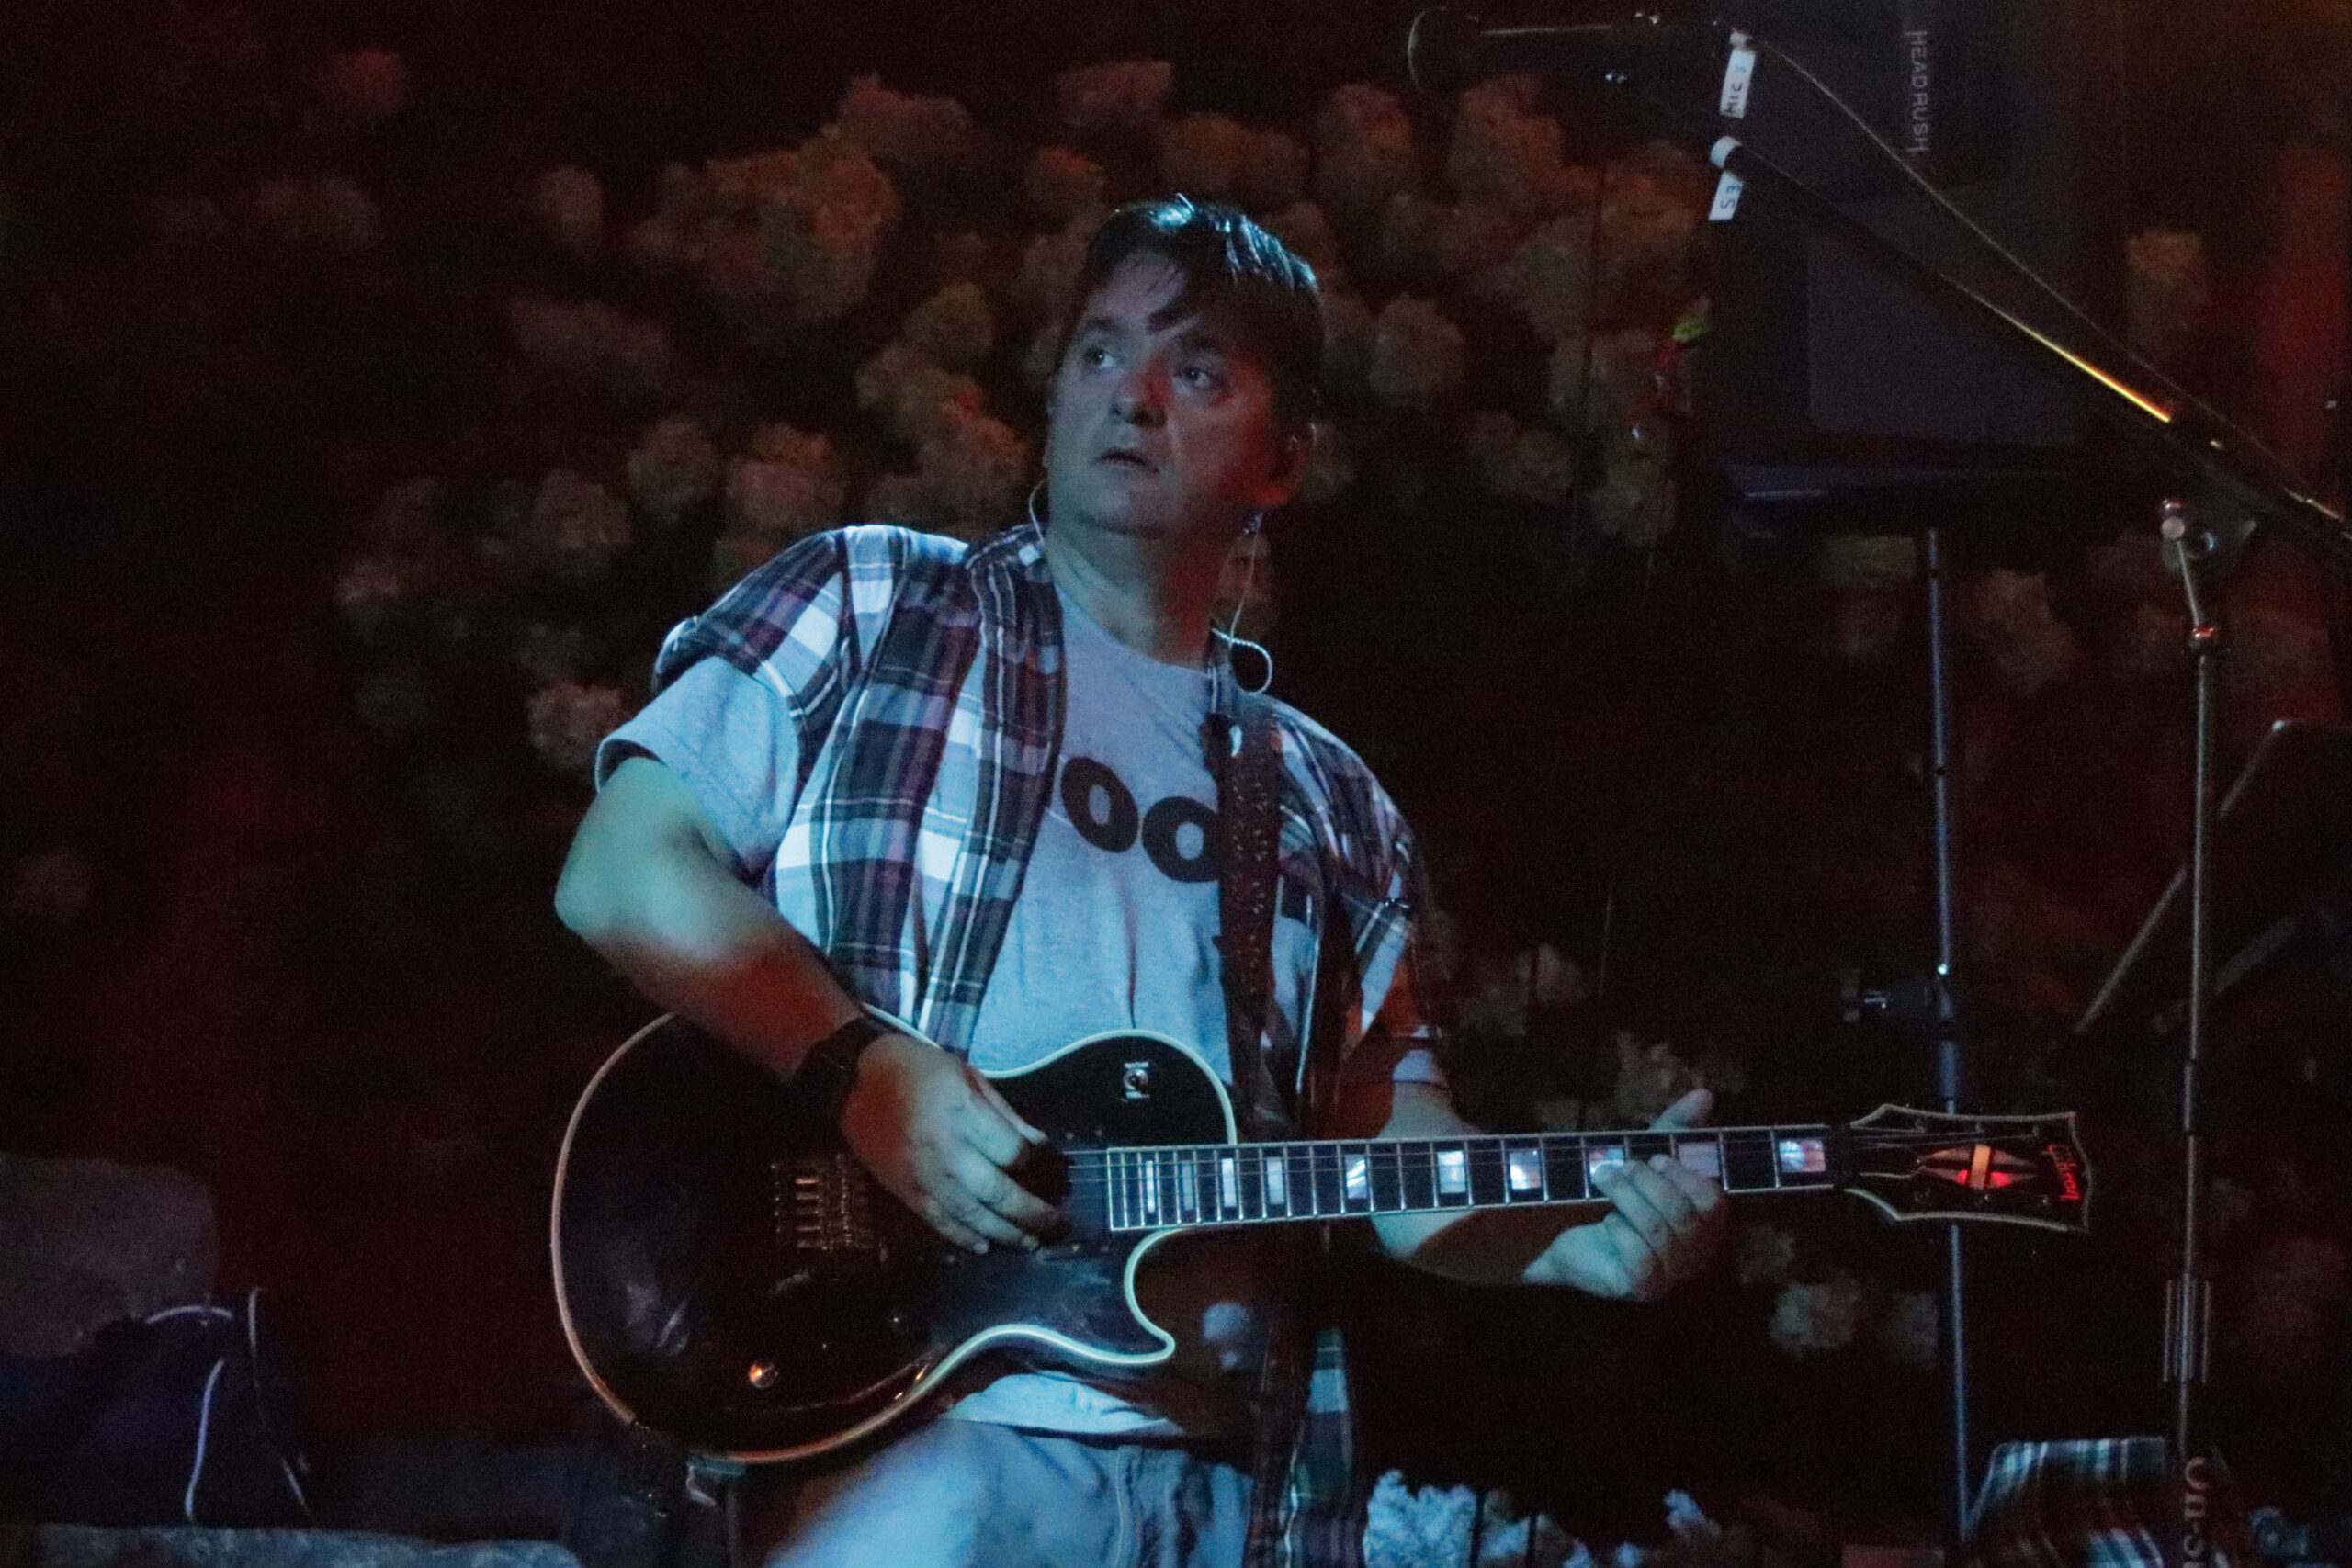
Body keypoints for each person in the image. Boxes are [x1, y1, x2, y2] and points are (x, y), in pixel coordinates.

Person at [554, 197, 1726, 1568]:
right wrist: (860, 1072)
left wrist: (1569, 1241)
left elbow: (1386, 1152)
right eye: (1101, 352)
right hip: (910, 1444)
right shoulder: (877, 609)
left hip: (1221, 1486)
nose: (1134, 395)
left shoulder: (1329, 800)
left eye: (1200, 371)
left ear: (1283, 461)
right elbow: (620, 871)